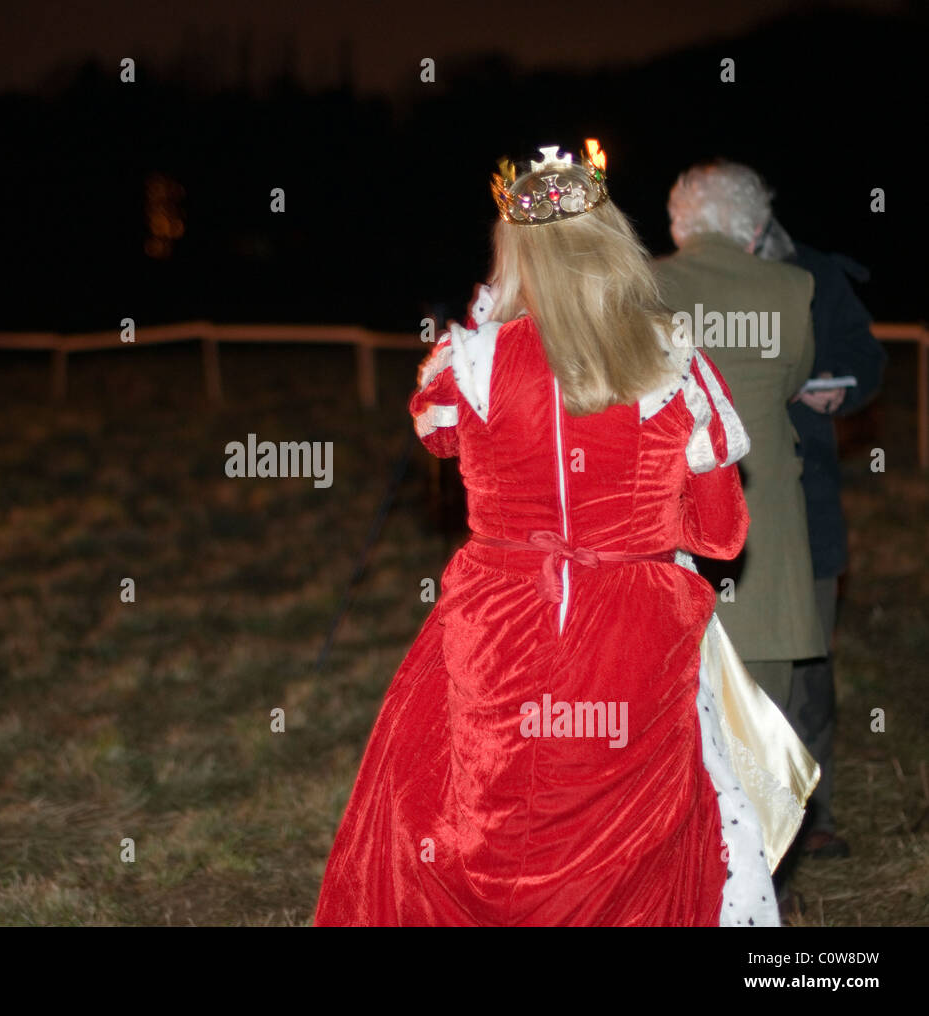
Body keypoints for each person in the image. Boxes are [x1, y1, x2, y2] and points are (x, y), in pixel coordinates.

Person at [314, 142, 787, 926]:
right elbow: (721, 534)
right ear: (613, 241)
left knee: (474, 811)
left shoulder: (469, 358)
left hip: (498, 619)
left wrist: (494, 310)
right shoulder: (672, 355)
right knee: (640, 828)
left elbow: (435, 437)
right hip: (632, 625)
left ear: (512, 250)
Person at [654, 163, 828, 713]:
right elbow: (794, 380)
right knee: (761, 736)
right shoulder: (793, 287)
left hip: (666, 527)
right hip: (763, 531)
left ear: (679, 226)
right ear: (756, 231)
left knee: (668, 734)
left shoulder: (641, 286)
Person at [758, 217, 887, 861]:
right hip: (711, 512)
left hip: (807, 511)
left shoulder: (815, 273)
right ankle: (724, 819)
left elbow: (866, 356)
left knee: (809, 668)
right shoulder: (684, 280)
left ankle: (813, 818)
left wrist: (844, 387)